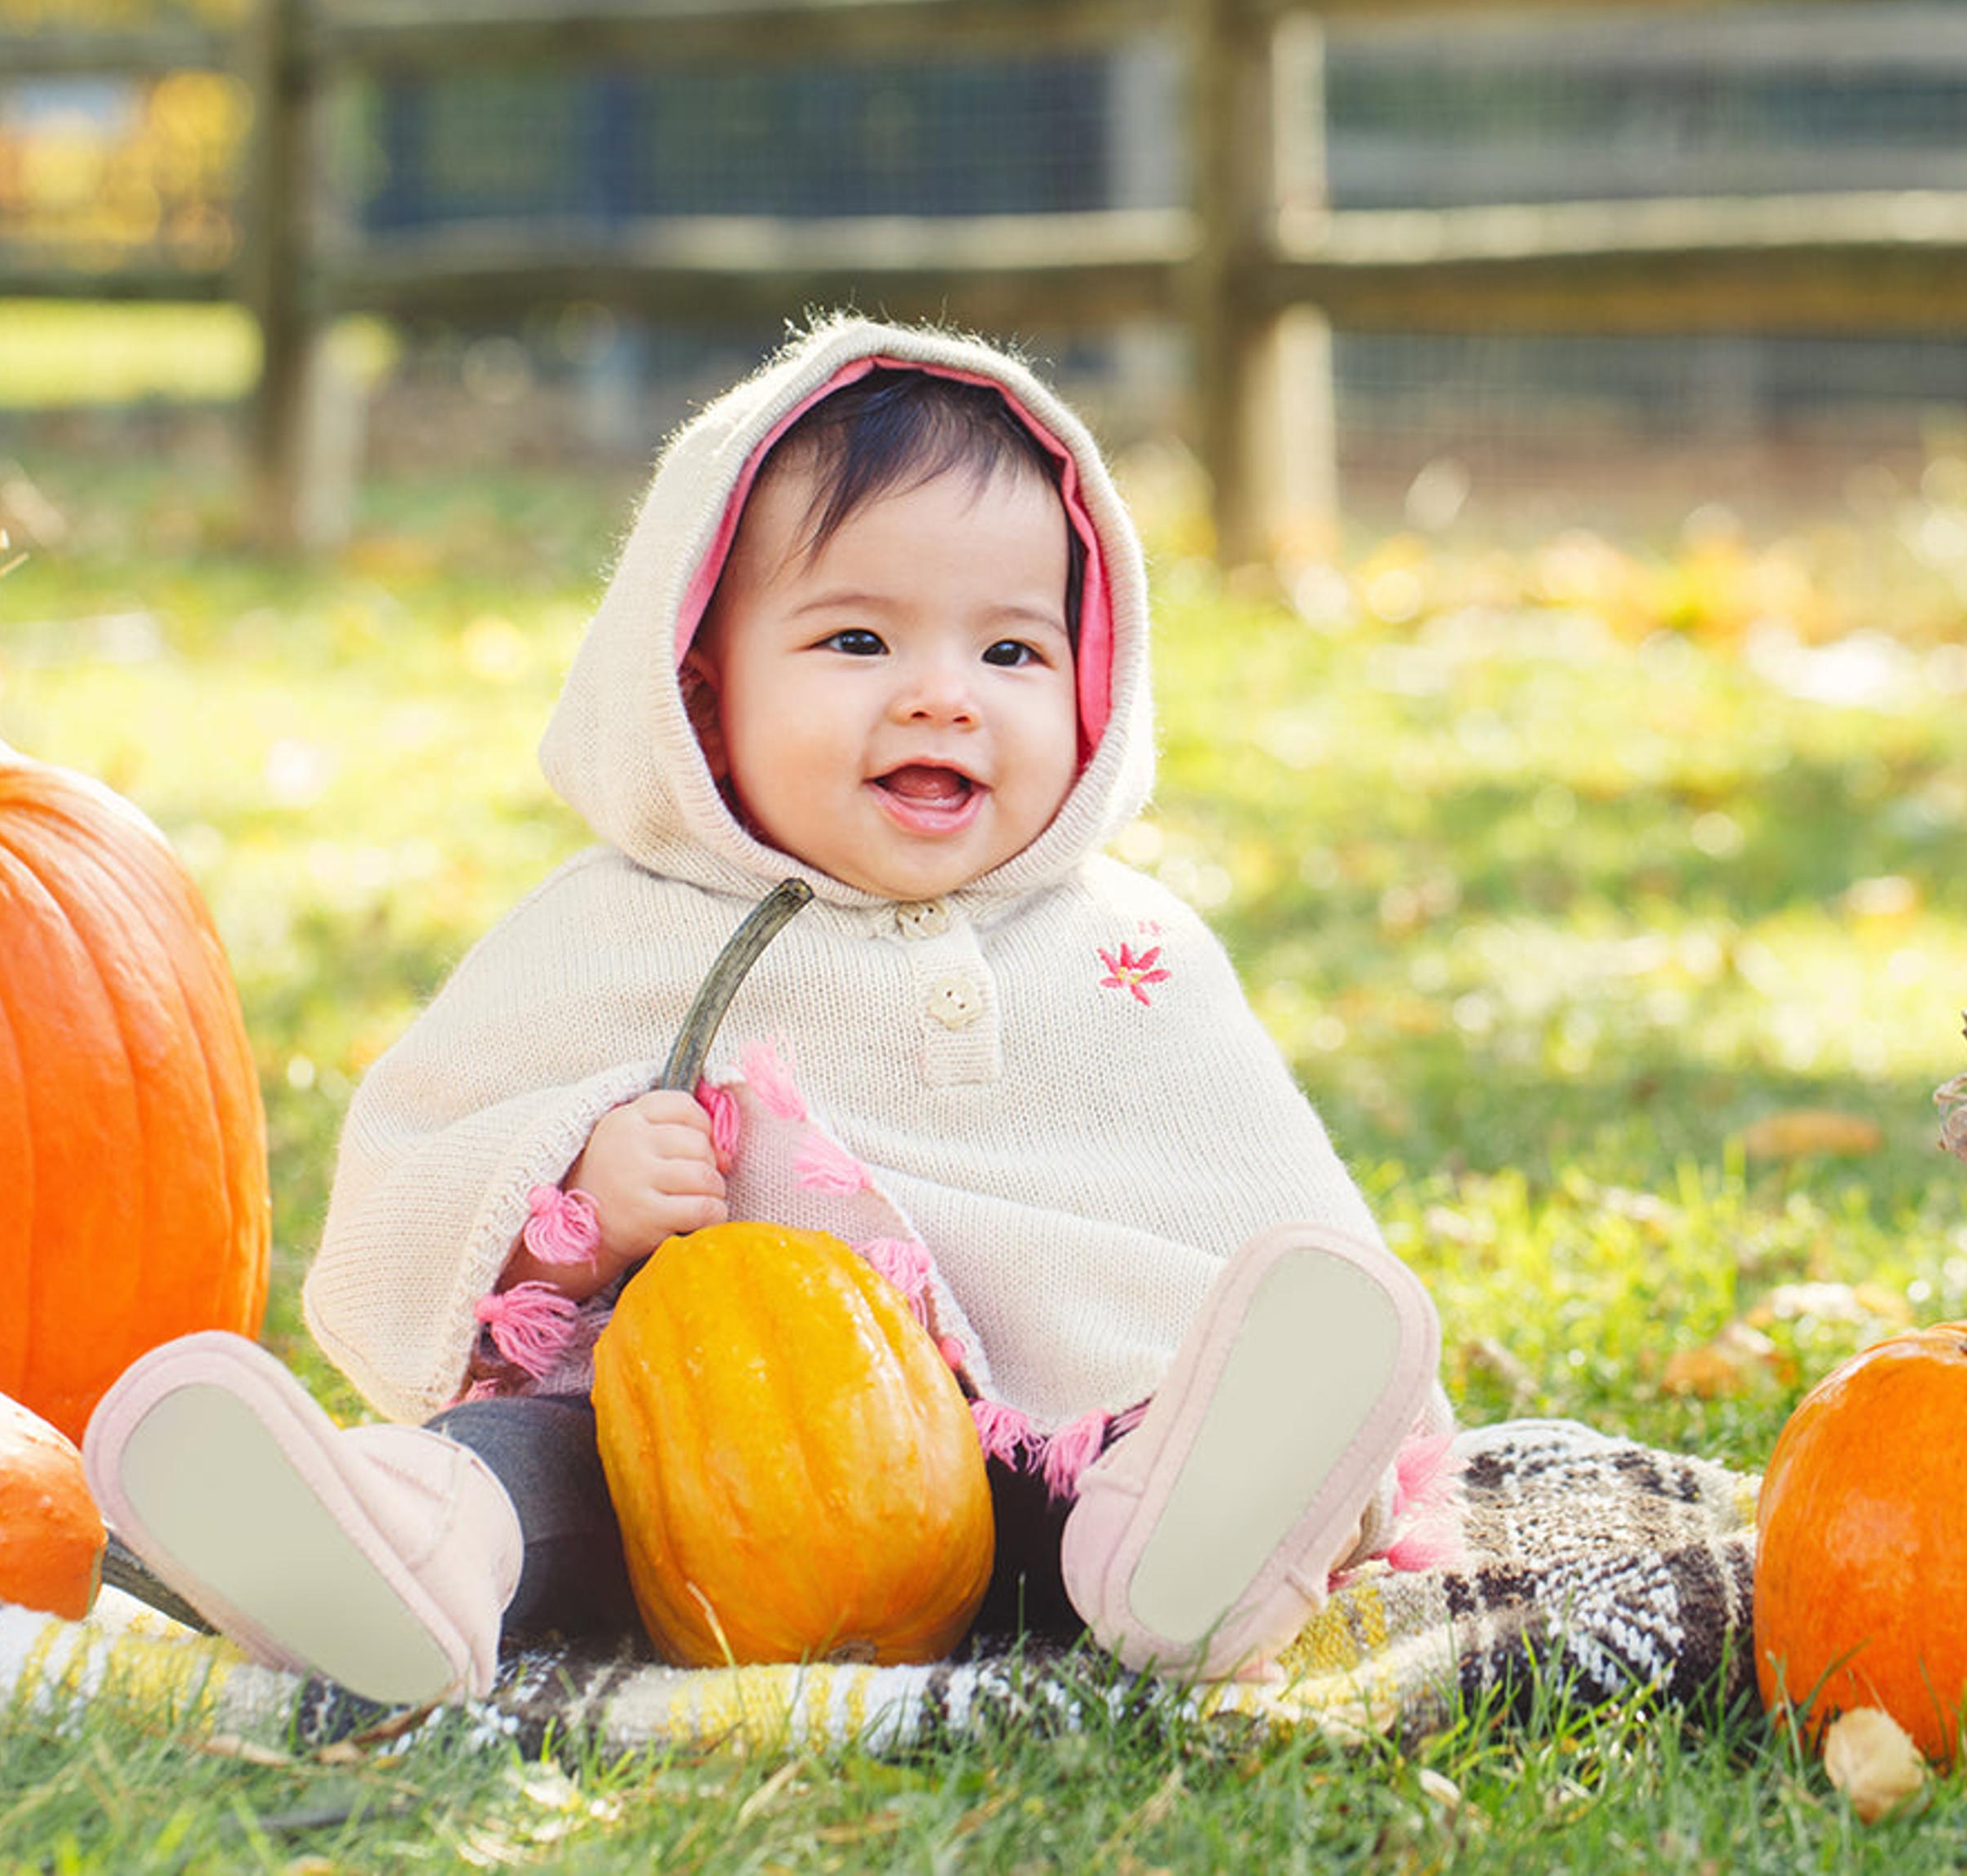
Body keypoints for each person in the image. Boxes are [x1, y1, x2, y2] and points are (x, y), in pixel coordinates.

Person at [83, 315, 1447, 1706]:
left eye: (1014, 655)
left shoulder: (1126, 949)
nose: (942, 698)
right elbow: (418, 1176)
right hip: (691, 1479)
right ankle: (402, 1547)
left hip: (1039, 1465)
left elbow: (1263, 1207)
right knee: (534, 1466)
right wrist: (577, 1189)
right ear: (701, 690)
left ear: (1095, 687)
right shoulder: (610, 933)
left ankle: (1200, 1547)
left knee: (1158, 1419)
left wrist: (1367, 1430)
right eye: (858, 638)